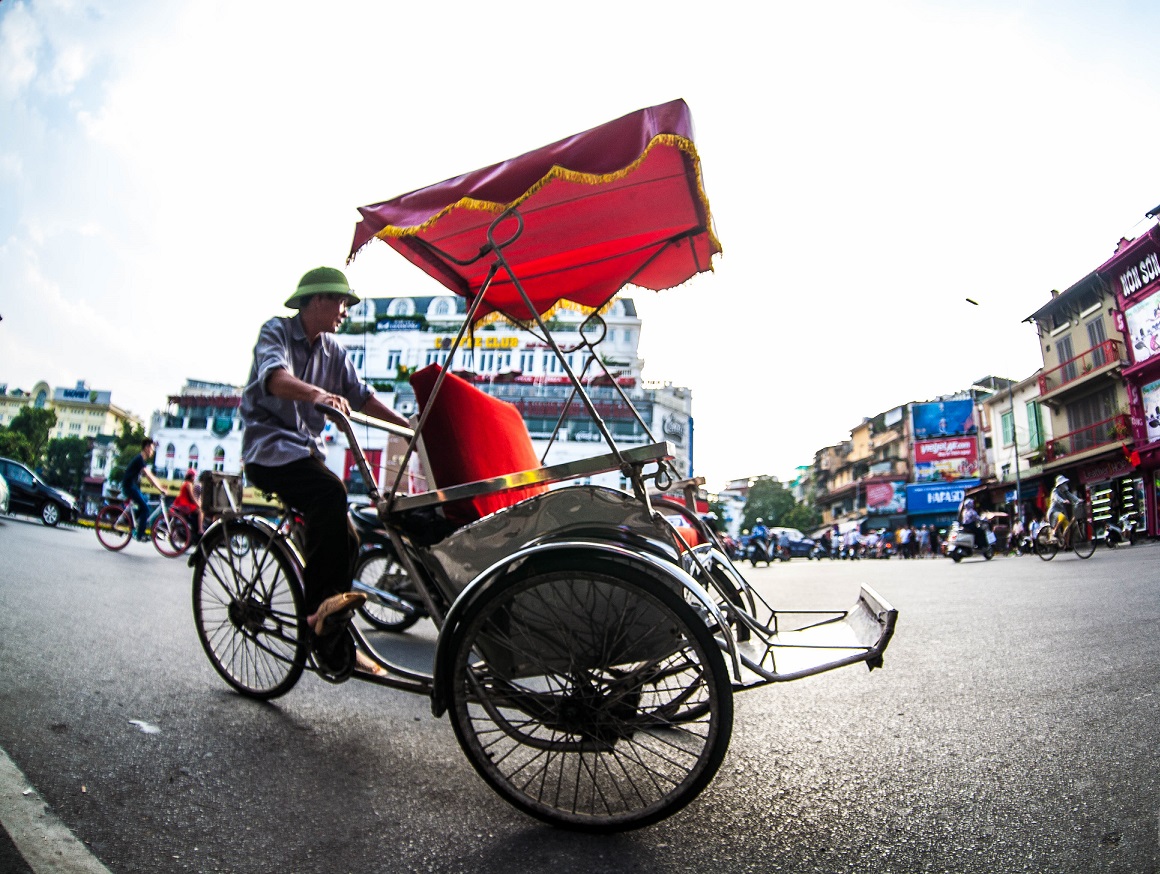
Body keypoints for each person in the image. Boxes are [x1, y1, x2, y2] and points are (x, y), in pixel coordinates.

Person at [240, 266, 410, 670]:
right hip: (269, 450)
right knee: (330, 493)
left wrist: (405, 427)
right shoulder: (276, 331)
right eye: (340, 302)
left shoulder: (335, 351)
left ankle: (330, 627)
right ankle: (317, 614)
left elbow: (362, 397)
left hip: (304, 453)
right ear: (316, 299)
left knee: (350, 539)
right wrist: (318, 394)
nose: (344, 311)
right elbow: (276, 379)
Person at [120, 438, 167, 542]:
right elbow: (149, 477)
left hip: (133, 486)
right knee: (145, 509)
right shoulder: (140, 459)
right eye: (151, 449)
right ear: (146, 448)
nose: (152, 451)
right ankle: (139, 535)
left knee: (145, 500)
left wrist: (160, 486)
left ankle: (128, 519)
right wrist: (159, 489)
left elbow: (151, 475)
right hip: (129, 487)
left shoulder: (142, 460)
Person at [171, 469, 204, 541]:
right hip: (185, 506)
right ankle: (200, 529)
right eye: (194, 476)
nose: (195, 478)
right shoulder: (189, 484)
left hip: (182, 505)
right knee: (201, 511)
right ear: (191, 476)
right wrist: (198, 504)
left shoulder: (184, 483)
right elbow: (192, 497)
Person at [1047, 474, 1082, 540]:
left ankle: (1066, 545)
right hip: (1054, 512)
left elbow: (1071, 496)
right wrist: (1063, 501)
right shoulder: (1055, 491)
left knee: (1067, 526)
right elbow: (1056, 498)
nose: (1065, 485)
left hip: (1061, 511)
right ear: (1060, 484)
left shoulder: (1065, 492)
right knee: (1062, 517)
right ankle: (1054, 530)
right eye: (1064, 483)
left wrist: (1078, 500)